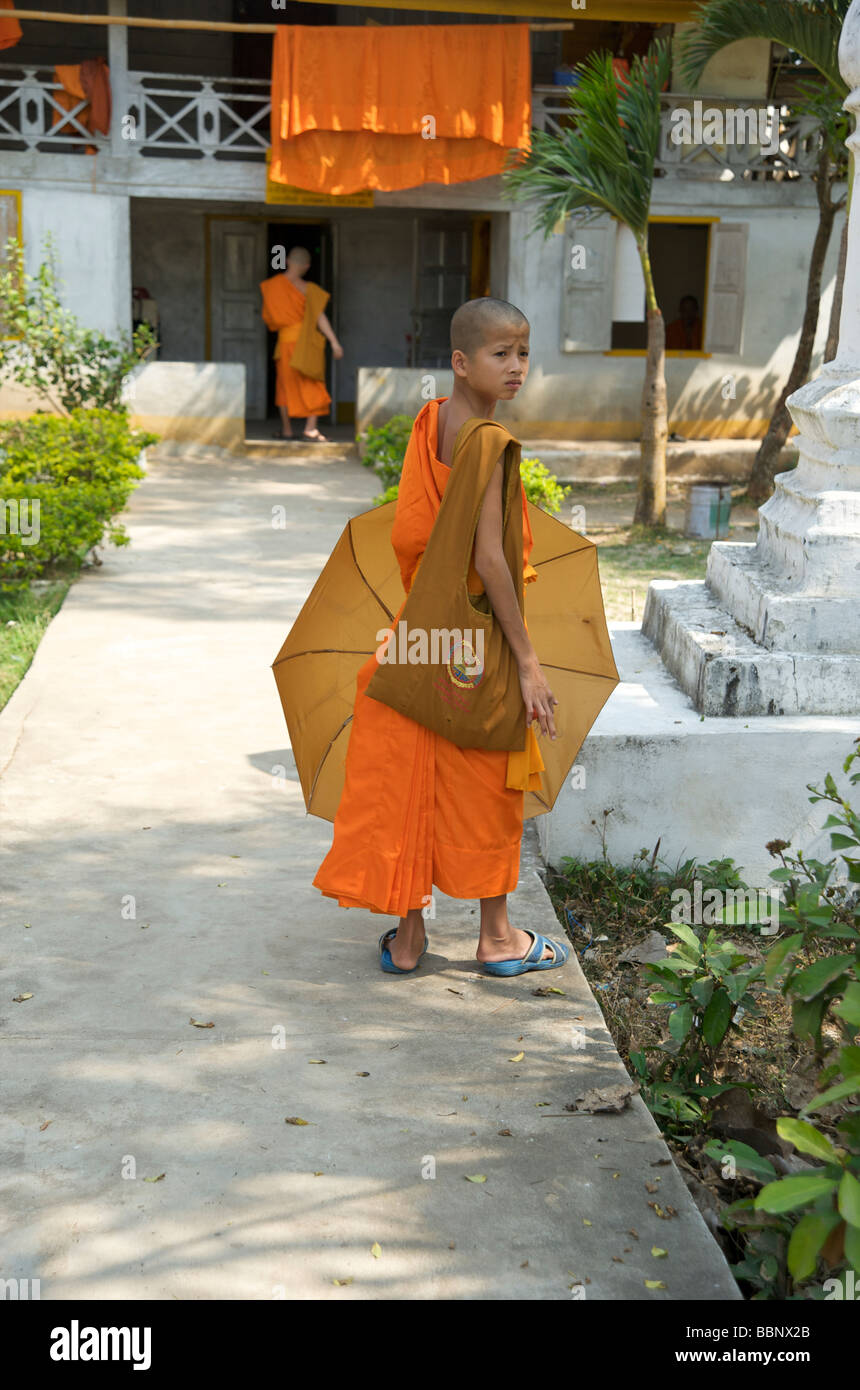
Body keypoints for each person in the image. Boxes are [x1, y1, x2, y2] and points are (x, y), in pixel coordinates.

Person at [312, 296, 569, 978]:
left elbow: (416, 533)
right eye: (499, 354)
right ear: (461, 361)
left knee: (412, 773)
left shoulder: (432, 424)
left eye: (522, 352)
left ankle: (408, 939)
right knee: (489, 780)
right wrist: (528, 661)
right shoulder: (488, 440)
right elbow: (490, 560)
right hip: (472, 647)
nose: (516, 367)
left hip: (418, 640)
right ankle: (498, 938)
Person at [259, 246, 344, 442]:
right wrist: (334, 342)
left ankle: (287, 430)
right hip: (306, 345)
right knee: (313, 384)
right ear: (306, 266)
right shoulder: (309, 290)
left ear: (287, 261)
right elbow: (320, 319)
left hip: (284, 343)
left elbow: (269, 317)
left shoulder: (272, 286)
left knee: (284, 386)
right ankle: (310, 429)